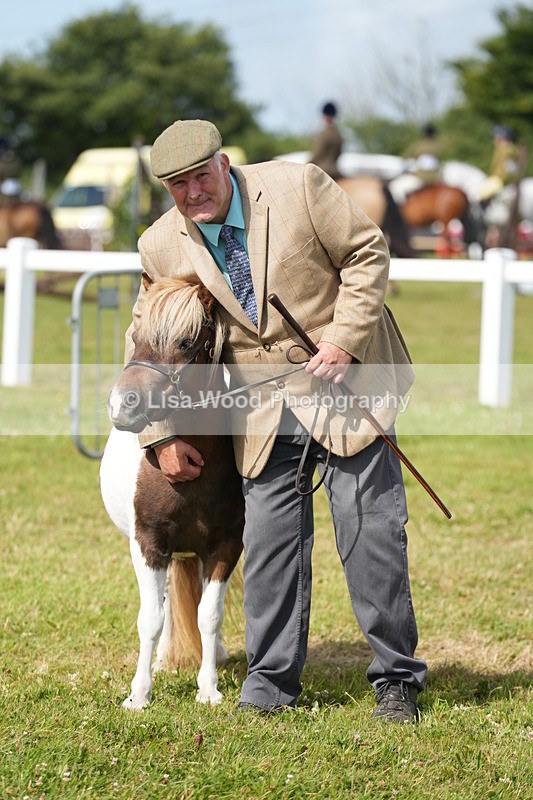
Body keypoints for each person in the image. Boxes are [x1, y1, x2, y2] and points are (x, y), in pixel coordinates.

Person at [126, 119, 427, 723]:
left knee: (370, 537)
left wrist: (344, 340)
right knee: (269, 547)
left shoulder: (300, 187)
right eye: (178, 185)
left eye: (201, 176)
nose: (193, 193)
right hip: (260, 411)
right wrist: (160, 436)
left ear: (224, 163)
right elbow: (146, 345)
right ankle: (268, 687)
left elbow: (367, 252)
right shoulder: (159, 244)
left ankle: (397, 680)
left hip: (347, 387)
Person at [477, 125, 519, 204]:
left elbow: (511, 170)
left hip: (499, 181)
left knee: (482, 195)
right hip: (494, 178)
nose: (494, 140)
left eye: (497, 137)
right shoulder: (499, 150)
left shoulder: (508, 151)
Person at [308, 101, 343, 180]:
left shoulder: (324, 135)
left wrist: (306, 165)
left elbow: (318, 154)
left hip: (323, 171)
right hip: (336, 171)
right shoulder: (338, 135)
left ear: (325, 116)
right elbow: (339, 153)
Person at [404, 123, 443, 187]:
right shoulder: (437, 146)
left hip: (421, 174)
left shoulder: (419, 146)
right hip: (435, 175)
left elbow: (409, 155)